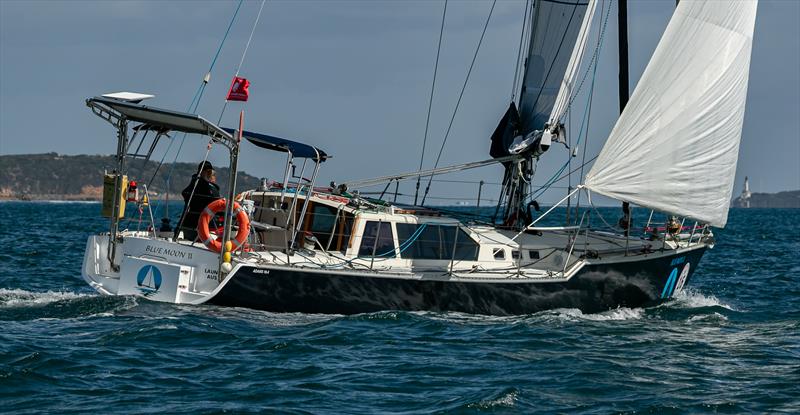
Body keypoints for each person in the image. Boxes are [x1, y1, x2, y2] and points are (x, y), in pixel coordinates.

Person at [175, 161, 221, 241]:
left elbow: (185, 192)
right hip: (201, 229)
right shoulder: (208, 189)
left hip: (187, 225)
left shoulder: (194, 184)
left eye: (212, 173)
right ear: (203, 172)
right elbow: (218, 203)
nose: (212, 176)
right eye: (210, 173)